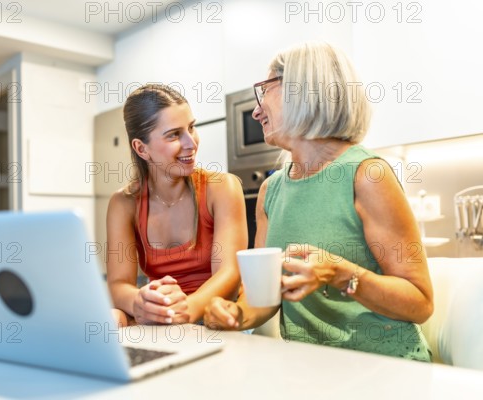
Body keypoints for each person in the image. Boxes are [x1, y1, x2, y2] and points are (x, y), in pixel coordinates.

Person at [203, 41, 434, 361]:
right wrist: (234, 315)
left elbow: (420, 302)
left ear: (303, 90)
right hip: (306, 368)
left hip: (385, 367)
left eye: (264, 90)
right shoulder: (271, 191)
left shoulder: (367, 175)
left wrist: (341, 274)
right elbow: (264, 297)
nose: (256, 110)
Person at [107, 84, 247, 326]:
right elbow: (119, 285)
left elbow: (229, 274)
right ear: (142, 149)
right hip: (164, 317)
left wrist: (184, 310)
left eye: (191, 128)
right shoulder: (124, 203)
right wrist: (140, 302)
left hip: (216, 318)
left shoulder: (222, 187)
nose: (191, 143)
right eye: (174, 134)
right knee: (113, 318)